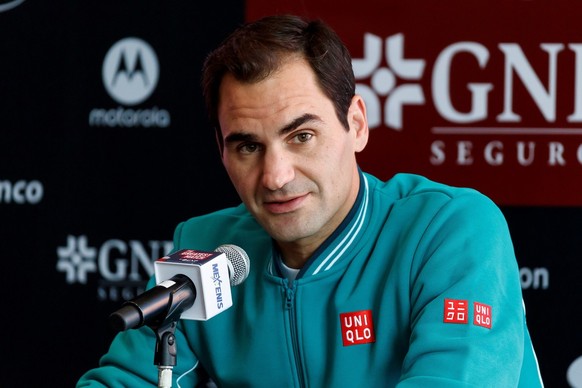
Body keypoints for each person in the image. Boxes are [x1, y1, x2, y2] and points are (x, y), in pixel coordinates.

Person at [77, 14, 543, 387]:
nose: (276, 176)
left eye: (301, 136)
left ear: (356, 125)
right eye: (247, 146)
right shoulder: (205, 246)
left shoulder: (450, 229)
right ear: (221, 152)